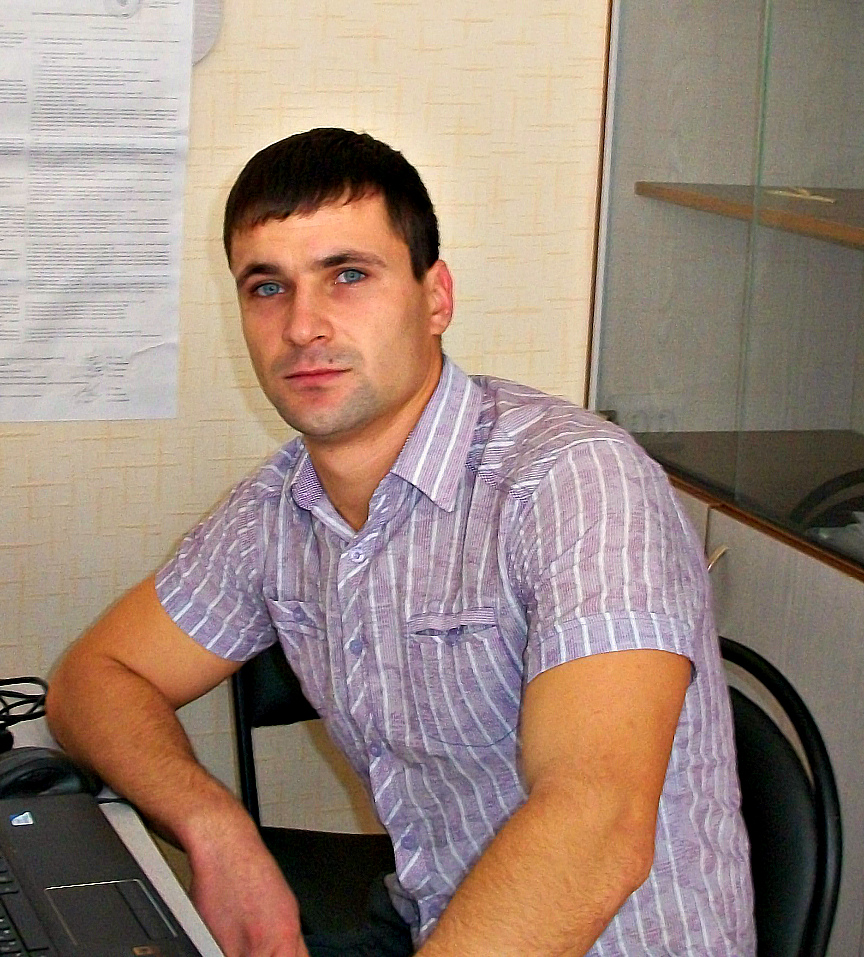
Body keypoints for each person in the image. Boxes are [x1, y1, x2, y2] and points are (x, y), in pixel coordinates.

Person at [46, 128, 755, 957]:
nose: (303, 325)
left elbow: (595, 825)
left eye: (348, 275)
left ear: (436, 297)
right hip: (429, 916)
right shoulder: (278, 507)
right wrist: (215, 827)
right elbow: (92, 679)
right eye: (268, 287)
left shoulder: (574, 481)